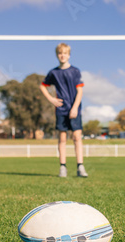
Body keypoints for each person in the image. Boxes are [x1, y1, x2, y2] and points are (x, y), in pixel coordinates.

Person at [40, 43, 88, 178]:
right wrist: (51, 99)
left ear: (69, 55)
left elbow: (80, 91)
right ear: (57, 55)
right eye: (60, 53)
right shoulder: (53, 73)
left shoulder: (75, 71)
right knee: (62, 138)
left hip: (74, 109)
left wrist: (74, 108)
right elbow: (43, 86)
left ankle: (80, 166)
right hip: (61, 110)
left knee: (77, 137)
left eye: (65, 53)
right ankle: (63, 167)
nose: (63, 55)